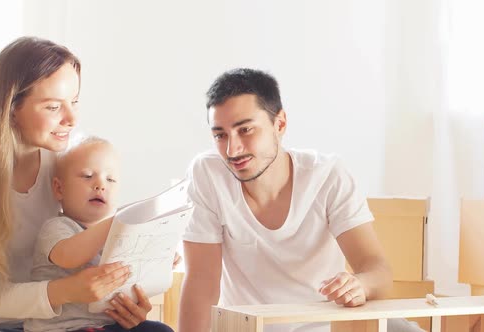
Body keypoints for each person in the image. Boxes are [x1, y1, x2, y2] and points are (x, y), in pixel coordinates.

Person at [0, 37, 150, 332]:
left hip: (45, 320)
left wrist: (124, 297)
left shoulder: (62, 163)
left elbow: (93, 232)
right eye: (54, 107)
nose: (72, 118)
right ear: (11, 107)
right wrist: (67, 291)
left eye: (75, 102)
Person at [178, 68, 423, 332]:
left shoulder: (327, 175)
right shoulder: (207, 174)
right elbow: (201, 284)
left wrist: (359, 285)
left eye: (245, 130)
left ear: (280, 123)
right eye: (220, 135)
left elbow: (377, 271)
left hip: (324, 326)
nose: (232, 149)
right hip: (249, 328)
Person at [24, 137, 173, 332]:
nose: (100, 185)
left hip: (107, 325)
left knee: (159, 330)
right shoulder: (57, 227)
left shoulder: (116, 237)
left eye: (110, 180)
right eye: (87, 176)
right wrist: (118, 221)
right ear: (59, 188)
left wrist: (159, 256)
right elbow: (69, 256)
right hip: (64, 329)